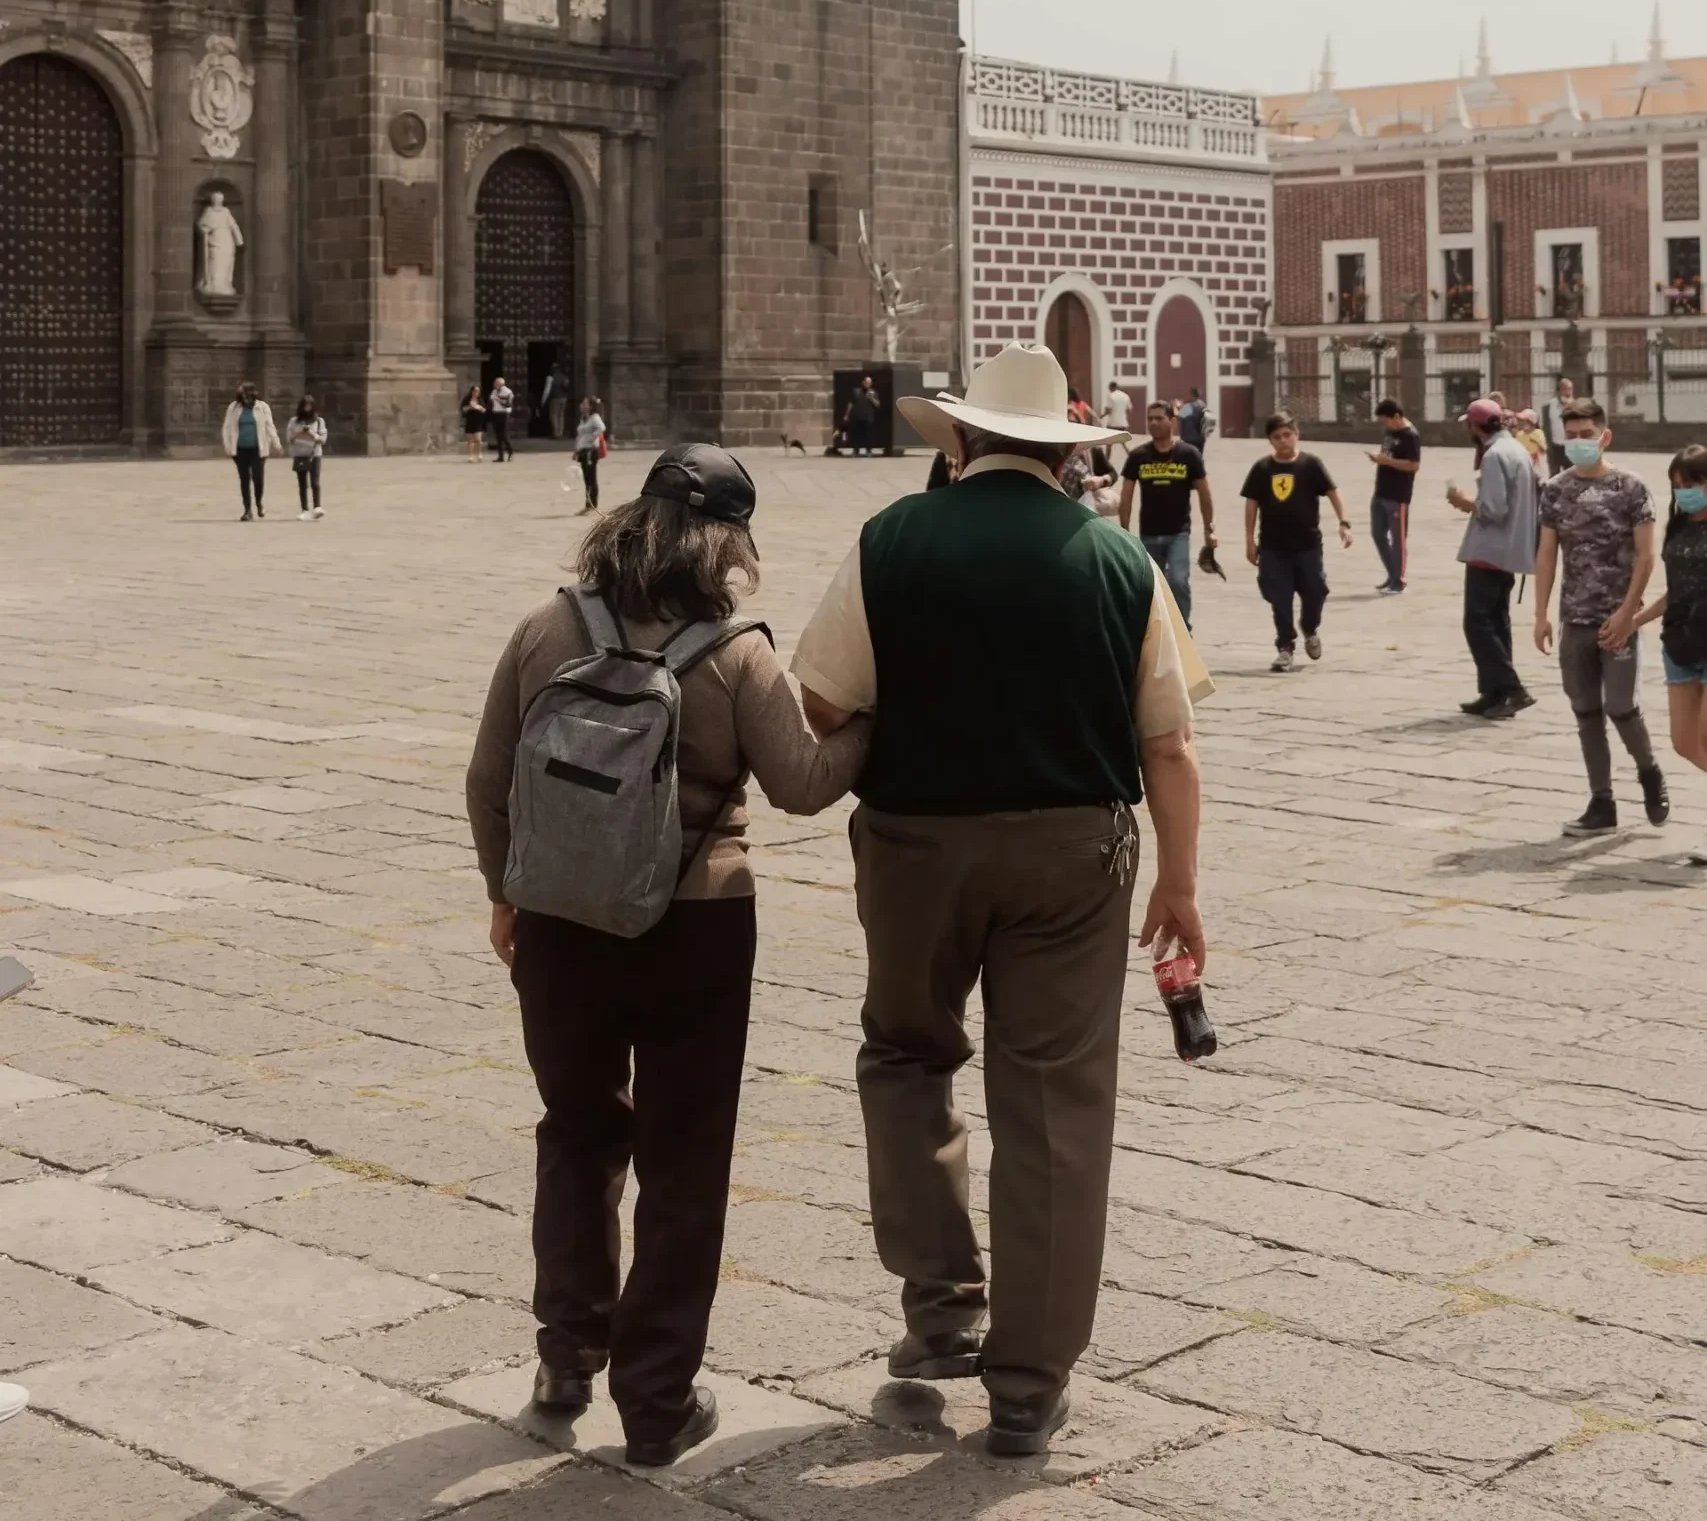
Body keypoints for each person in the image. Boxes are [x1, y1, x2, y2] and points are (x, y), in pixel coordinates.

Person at [791, 342, 1211, 1459]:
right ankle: (1027, 1386)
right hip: (1074, 857)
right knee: (1057, 1108)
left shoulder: (893, 539)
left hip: (917, 845)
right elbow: (1168, 744)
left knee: (907, 1057)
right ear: (1063, 452)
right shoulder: (1118, 561)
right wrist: (1178, 882)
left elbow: (823, 704)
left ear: (964, 440)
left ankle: (940, 1315)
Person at [466, 446, 870, 1468]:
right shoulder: (737, 657)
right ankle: (657, 1405)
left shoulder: (545, 628)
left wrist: (505, 895)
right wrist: (872, 714)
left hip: (559, 924)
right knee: (683, 1166)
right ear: (728, 545)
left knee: (575, 1133)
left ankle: (565, 1360)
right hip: (695, 923)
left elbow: (485, 780)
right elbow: (805, 782)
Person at [1534, 399, 1667, 836]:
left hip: (1619, 620)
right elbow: (1548, 554)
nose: (1577, 443)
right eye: (1570, 436)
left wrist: (1629, 613)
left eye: (1585, 435)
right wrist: (1541, 615)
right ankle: (1601, 802)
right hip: (1575, 618)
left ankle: (1649, 772)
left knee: (1622, 706)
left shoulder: (1630, 488)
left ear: (1604, 436)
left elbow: (1647, 557)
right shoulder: (1555, 489)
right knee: (1586, 711)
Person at [1635, 445, 1707, 866]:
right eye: (1679, 487)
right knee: (1684, 743)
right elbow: (1675, 589)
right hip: (1679, 643)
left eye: (1694, 484)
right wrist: (1636, 618)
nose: (1685, 493)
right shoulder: (1677, 528)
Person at [1241, 412, 1354, 673]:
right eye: (1277, 437)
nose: (1283, 441)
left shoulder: (1310, 464)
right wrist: (1249, 540)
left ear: (1297, 434)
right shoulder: (1262, 469)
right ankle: (1285, 647)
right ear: (1270, 440)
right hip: (1272, 546)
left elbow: (1333, 493)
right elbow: (1251, 505)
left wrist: (1344, 523)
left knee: (1316, 591)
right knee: (1279, 596)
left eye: (1287, 435)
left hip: (1308, 545)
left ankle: (1310, 627)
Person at [1449, 398, 1539, 720]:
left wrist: (1464, 502)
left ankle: (1512, 688)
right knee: (1497, 622)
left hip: (1490, 549)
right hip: (1510, 548)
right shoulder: (1516, 449)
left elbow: (1494, 509)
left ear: (1476, 426)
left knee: (1477, 622)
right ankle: (1495, 692)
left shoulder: (1495, 455)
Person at [1119, 400, 1216, 629]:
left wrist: (1209, 528)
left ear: (1172, 421)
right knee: (1150, 588)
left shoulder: (1188, 454)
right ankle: (1155, 633)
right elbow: (1126, 496)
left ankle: (1183, 630)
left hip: (1178, 533)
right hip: (1149, 535)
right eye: (1150, 418)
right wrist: (1124, 531)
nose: (1153, 423)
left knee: (1178, 581)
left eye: (1159, 418)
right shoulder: (1138, 456)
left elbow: (1204, 493)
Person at [1367, 398, 1422, 594]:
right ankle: (1392, 573)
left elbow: (1414, 465)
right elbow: (1388, 455)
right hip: (1381, 490)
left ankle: (1399, 580)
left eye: (1385, 420)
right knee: (1377, 533)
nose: (1384, 425)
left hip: (1398, 495)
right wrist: (1380, 458)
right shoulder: (1389, 432)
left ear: (1397, 416)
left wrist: (1387, 461)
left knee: (1398, 540)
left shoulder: (1410, 435)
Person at [220, 382, 282, 522]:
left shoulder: (262, 407)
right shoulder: (233, 407)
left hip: (258, 449)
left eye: (246, 395)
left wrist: (277, 444)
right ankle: (247, 510)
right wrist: (227, 446)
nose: (245, 398)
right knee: (244, 479)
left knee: (258, 477)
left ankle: (259, 503)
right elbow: (226, 427)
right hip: (240, 448)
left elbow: (269, 426)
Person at [285, 396, 328, 521]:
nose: (307, 408)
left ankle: (317, 507)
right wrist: (299, 434)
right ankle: (304, 509)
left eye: (310, 405)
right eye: (305, 405)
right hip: (300, 454)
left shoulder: (319, 421)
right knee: (302, 483)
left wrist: (312, 434)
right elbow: (289, 438)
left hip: (314, 454)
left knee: (315, 482)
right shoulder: (294, 421)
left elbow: (323, 439)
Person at [573, 397, 606, 512]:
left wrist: (592, 438)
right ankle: (588, 503)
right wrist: (576, 450)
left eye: (585, 403)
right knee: (586, 478)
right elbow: (580, 435)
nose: (582, 405)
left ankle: (592, 504)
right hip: (583, 451)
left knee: (591, 477)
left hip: (591, 451)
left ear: (591, 406)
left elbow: (602, 428)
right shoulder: (584, 419)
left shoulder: (594, 418)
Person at [1542, 377, 1576, 478]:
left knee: (1571, 476)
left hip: (1570, 447)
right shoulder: (1548, 407)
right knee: (1554, 477)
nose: (1568, 392)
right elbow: (1546, 427)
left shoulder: (1576, 406)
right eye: (1565, 389)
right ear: (1558, 391)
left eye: (1570, 389)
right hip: (1555, 447)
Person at [842, 376, 882, 456]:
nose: (868, 384)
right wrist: (846, 414)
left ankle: (868, 451)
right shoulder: (856, 391)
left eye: (869, 383)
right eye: (866, 382)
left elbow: (877, 404)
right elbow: (850, 403)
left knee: (868, 435)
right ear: (863, 382)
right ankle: (856, 451)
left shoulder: (873, 392)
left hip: (868, 417)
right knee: (857, 435)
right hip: (857, 416)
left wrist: (871, 398)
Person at [488, 378, 516, 463]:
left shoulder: (508, 392)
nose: (494, 384)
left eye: (496, 383)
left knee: (503, 434)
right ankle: (501, 456)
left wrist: (497, 398)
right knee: (498, 436)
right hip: (496, 413)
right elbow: (491, 403)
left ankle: (510, 451)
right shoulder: (494, 391)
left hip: (504, 414)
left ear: (501, 384)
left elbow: (508, 404)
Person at [541, 365, 572, 441]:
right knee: (561, 416)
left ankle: (556, 434)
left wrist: (543, 401)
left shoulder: (551, 378)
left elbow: (547, 391)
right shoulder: (564, 377)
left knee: (554, 416)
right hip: (564, 398)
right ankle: (560, 433)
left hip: (555, 398)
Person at [1177, 386, 1209, 452]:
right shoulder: (1203, 405)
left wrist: (1178, 407)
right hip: (1200, 437)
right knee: (1199, 456)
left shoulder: (1188, 406)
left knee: (1189, 457)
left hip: (1189, 437)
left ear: (1191, 394)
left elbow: (1180, 418)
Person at [461, 384, 486, 463]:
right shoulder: (466, 399)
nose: (476, 393)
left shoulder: (481, 400)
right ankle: (471, 456)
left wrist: (478, 407)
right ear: (471, 391)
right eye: (475, 391)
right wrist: (470, 407)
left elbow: (484, 410)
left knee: (478, 439)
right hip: (470, 421)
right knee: (470, 440)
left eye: (478, 391)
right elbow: (463, 409)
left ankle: (479, 453)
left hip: (478, 421)